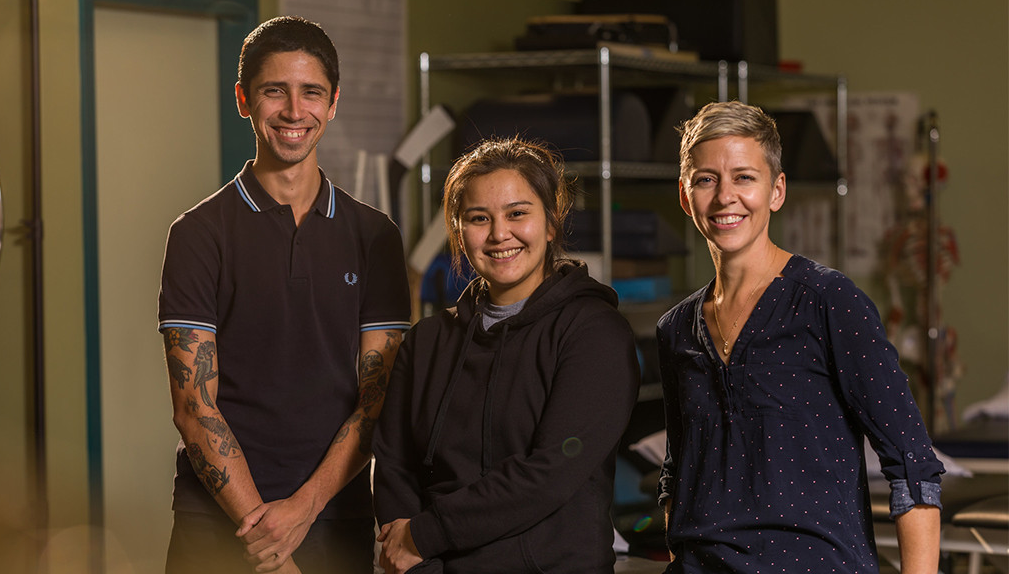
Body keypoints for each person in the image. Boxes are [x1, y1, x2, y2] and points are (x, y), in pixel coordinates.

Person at [157, 16, 410, 574]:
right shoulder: (199, 234)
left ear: (334, 102)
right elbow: (193, 406)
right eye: (275, 91)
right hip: (217, 525)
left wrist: (302, 511)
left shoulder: (375, 237)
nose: (295, 111)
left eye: (312, 92)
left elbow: (377, 400)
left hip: (333, 518)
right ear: (245, 99)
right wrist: (265, 535)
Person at [656, 101, 944, 573]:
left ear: (777, 190)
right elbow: (677, 472)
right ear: (686, 197)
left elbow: (913, 467)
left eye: (745, 177)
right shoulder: (675, 331)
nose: (726, 196)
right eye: (707, 179)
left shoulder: (829, 301)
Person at [372, 137, 641, 574]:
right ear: (459, 231)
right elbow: (394, 465)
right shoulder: (427, 341)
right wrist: (418, 562)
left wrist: (426, 535)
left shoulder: (593, 334)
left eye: (518, 213)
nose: (499, 234)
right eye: (479, 218)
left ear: (552, 223)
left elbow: (549, 473)